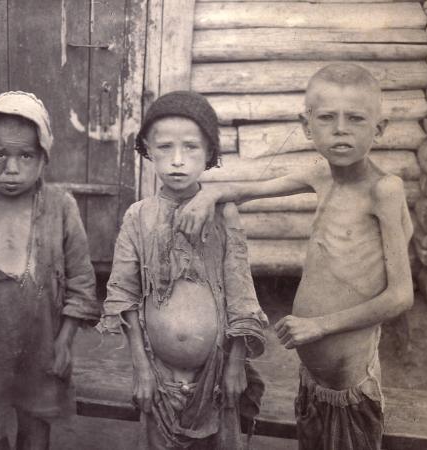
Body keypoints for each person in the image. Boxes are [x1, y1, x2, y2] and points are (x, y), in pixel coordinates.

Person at [176, 63, 414, 450]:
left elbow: (401, 296)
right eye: (327, 118)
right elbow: (251, 190)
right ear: (306, 127)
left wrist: (319, 326)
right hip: (314, 384)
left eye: (355, 118)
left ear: (380, 128)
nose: (340, 129)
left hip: (349, 388)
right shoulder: (321, 175)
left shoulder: (384, 190)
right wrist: (209, 194)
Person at [97, 91, 269, 449]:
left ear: (209, 153)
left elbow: (241, 294)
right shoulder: (138, 217)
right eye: (164, 148)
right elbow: (124, 296)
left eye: (191, 148)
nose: (177, 161)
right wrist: (141, 369)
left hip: (217, 375)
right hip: (159, 378)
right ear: (147, 149)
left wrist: (236, 364)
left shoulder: (225, 216)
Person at [0, 91, 101, 450]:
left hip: (41, 351)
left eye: (25, 155)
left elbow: (82, 282)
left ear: (43, 158)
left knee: (35, 434)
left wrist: (64, 341)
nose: (12, 169)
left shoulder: (60, 209)